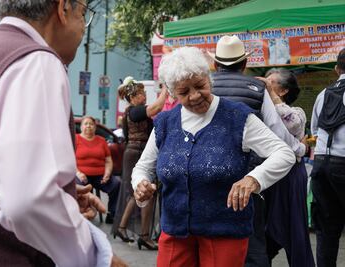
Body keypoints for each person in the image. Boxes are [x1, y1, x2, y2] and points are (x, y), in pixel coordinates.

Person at [0, 1, 126, 266]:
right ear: (63, 9)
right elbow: (29, 200)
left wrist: (61, 194)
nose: (83, 28)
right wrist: (98, 258)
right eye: (84, 13)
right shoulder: (35, 61)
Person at [132, 46, 295, 267]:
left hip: (225, 230)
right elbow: (143, 168)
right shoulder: (165, 123)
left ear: (210, 78)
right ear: (172, 94)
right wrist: (141, 184)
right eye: (184, 92)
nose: (195, 96)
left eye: (200, 86)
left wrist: (253, 179)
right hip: (175, 229)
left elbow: (284, 153)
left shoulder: (237, 117)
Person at [209, 35, 306, 267]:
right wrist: (299, 148)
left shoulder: (203, 87)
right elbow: (277, 134)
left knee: (210, 239)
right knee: (253, 244)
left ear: (215, 64)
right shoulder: (256, 88)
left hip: (207, 174)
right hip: (248, 177)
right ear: (244, 64)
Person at [258, 68, 315, 266]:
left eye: (270, 82)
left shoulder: (296, 113)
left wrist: (270, 94)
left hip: (290, 176)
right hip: (267, 174)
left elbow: (293, 125)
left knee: (293, 226)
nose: (265, 84)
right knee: (264, 227)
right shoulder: (260, 111)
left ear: (282, 91)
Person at [112, 76, 168, 249]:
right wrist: (166, 87)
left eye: (144, 93)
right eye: (141, 94)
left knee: (137, 192)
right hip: (136, 152)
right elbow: (157, 107)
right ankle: (143, 235)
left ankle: (123, 228)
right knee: (143, 191)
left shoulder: (133, 112)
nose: (144, 96)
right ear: (132, 97)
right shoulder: (134, 111)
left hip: (136, 152)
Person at [310, 48, 345, 267]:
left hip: (321, 164)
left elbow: (315, 129)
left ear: (336, 69)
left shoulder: (323, 93)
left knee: (326, 230)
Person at [76, 116, 121, 224]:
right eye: (86, 124)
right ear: (81, 127)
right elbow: (69, 160)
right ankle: (83, 215)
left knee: (116, 183)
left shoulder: (101, 141)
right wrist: (78, 173)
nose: (88, 126)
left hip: (100, 176)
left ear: (95, 127)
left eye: (91, 124)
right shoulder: (75, 139)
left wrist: (107, 173)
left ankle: (111, 214)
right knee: (80, 188)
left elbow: (108, 160)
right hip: (82, 175)